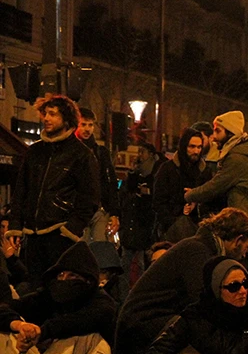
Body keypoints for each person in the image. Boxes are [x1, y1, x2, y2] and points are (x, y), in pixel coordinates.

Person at [115, 208, 248, 354]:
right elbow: (202, 301)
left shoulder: (200, 248)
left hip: (152, 318)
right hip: (145, 322)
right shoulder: (199, 252)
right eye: (247, 247)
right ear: (238, 240)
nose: (245, 254)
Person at [0, 241, 116, 354]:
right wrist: (20, 325)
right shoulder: (49, 296)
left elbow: (83, 320)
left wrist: (43, 331)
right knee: (6, 333)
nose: (63, 280)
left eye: (72, 276)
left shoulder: (102, 303)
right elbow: (7, 309)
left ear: (87, 280)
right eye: (61, 275)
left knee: (84, 334)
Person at [6, 95, 100, 281]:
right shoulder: (35, 151)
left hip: (60, 233)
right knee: (34, 285)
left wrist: (71, 229)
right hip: (32, 234)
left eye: (53, 114)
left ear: (66, 119)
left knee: (56, 287)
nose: (46, 118)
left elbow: (89, 196)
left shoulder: (81, 154)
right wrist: (16, 225)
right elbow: (21, 191)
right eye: (45, 114)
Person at [184, 111, 248, 224]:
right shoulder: (240, 151)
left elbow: (215, 186)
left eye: (218, 131)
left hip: (245, 214)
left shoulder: (237, 157)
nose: (213, 137)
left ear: (230, 132)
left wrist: (190, 195)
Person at [153, 128, 213, 242]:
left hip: (197, 229)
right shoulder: (167, 169)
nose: (196, 151)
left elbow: (210, 200)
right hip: (171, 230)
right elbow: (158, 201)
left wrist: (196, 204)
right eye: (192, 146)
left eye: (199, 147)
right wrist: (174, 218)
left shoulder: (205, 171)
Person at [119, 142, 165, 284]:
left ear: (151, 155)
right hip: (134, 226)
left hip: (146, 227)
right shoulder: (137, 174)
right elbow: (127, 193)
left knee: (143, 264)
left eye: (142, 152)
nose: (139, 155)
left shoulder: (158, 174)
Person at [76, 107, 122, 243]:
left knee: (100, 249)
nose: (87, 129)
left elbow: (111, 183)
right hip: (79, 211)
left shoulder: (101, 152)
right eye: (83, 124)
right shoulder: (72, 152)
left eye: (90, 125)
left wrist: (114, 212)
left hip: (99, 209)